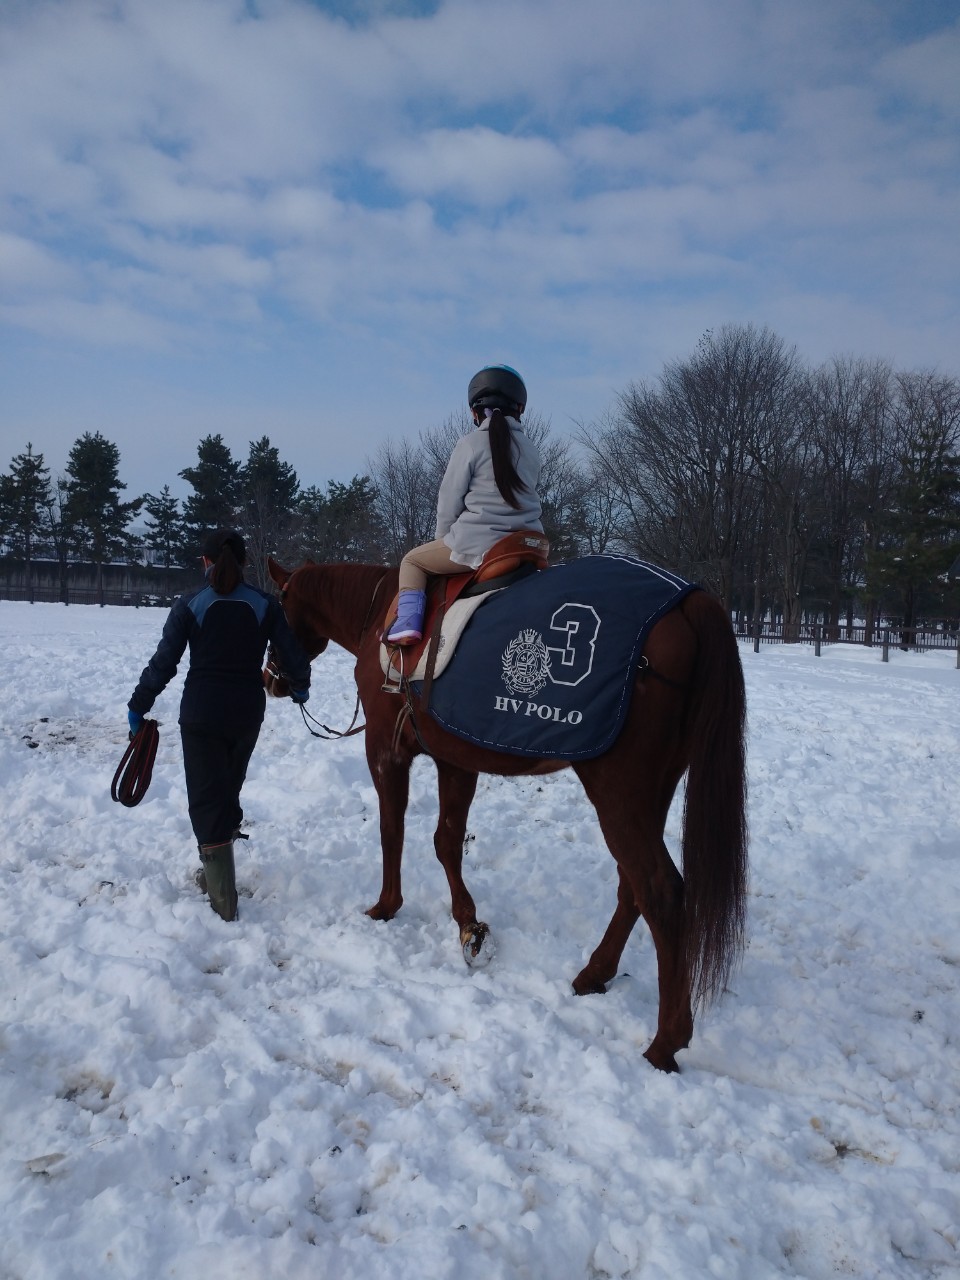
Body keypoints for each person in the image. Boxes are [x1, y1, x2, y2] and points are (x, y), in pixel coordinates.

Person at [126, 528, 311, 921]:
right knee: (225, 791)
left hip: (201, 715)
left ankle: (223, 903)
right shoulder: (263, 604)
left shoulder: (191, 604)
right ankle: (215, 874)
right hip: (246, 715)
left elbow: (164, 663)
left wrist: (137, 706)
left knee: (208, 801)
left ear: (206, 562)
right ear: (243, 563)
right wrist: (300, 688)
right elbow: (291, 654)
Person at [386, 364, 544, 644]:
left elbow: (449, 499)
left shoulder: (470, 443)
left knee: (412, 561)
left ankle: (409, 624)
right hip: (528, 544)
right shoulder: (531, 450)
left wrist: (443, 540)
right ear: (520, 409)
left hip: (480, 545)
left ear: (474, 411)